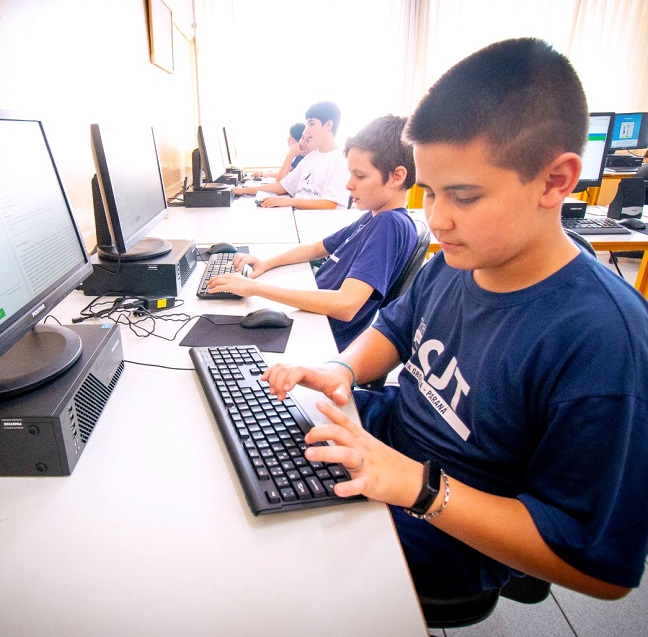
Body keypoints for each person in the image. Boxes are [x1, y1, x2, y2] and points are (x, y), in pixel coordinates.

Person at [263, 38, 648, 600]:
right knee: (253, 434)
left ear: (556, 180)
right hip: (390, 445)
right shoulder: (455, 261)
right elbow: (395, 327)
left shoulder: (603, 341)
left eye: (463, 197)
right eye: (429, 192)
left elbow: (598, 569)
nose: (437, 219)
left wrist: (418, 487)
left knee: (261, 555)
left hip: (449, 527)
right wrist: (341, 370)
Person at [208, 116, 418, 351]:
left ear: (397, 176)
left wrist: (256, 288)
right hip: (313, 314)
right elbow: (317, 248)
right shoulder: (374, 216)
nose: (349, 185)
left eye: (359, 176)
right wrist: (266, 263)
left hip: (321, 334)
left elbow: (346, 305)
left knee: (215, 332)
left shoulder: (390, 224)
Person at [234, 101, 351, 209]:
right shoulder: (312, 157)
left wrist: (289, 202)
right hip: (300, 217)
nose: (306, 131)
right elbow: (281, 187)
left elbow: (329, 204)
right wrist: (242, 191)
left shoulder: (340, 161)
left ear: (328, 125)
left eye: (311, 124)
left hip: (318, 224)